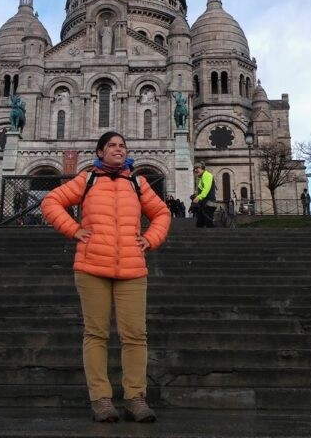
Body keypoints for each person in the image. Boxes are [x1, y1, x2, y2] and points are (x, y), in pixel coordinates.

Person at [42, 131, 171, 423]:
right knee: (96, 334)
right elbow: (51, 201)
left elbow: (162, 213)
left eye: (122, 146)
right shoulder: (87, 180)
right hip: (91, 268)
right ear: (100, 152)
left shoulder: (138, 183)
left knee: (135, 336)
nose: (118, 149)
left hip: (132, 269)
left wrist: (150, 240)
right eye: (112, 145)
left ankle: (135, 398)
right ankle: (101, 399)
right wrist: (73, 230)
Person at [192, 161, 216, 228]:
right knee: (200, 224)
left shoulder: (207, 175)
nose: (195, 170)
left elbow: (206, 189)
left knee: (208, 223)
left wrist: (198, 197)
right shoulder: (201, 177)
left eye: (197, 168)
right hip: (203, 204)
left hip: (208, 204)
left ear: (202, 168)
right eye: (194, 169)